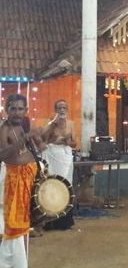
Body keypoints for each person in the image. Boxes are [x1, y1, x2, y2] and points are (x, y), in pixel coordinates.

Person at [0, 94, 46, 268]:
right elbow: (3, 154)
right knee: (13, 228)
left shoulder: (22, 127)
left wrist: (38, 139)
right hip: (11, 182)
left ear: (26, 110)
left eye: (20, 109)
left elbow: (39, 148)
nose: (17, 112)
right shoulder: (3, 129)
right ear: (6, 109)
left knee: (22, 230)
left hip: (25, 183)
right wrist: (24, 140)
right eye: (13, 108)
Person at [42, 99, 77, 231]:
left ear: (67, 110)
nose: (62, 110)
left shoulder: (71, 124)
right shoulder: (51, 123)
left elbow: (75, 143)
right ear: (55, 110)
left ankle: (65, 222)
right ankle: (49, 222)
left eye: (64, 107)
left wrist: (68, 142)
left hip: (65, 157)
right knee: (52, 185)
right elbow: (43, 137)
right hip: (52, 155)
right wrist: (52, 124)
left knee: (65, 186)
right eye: (59, 108)